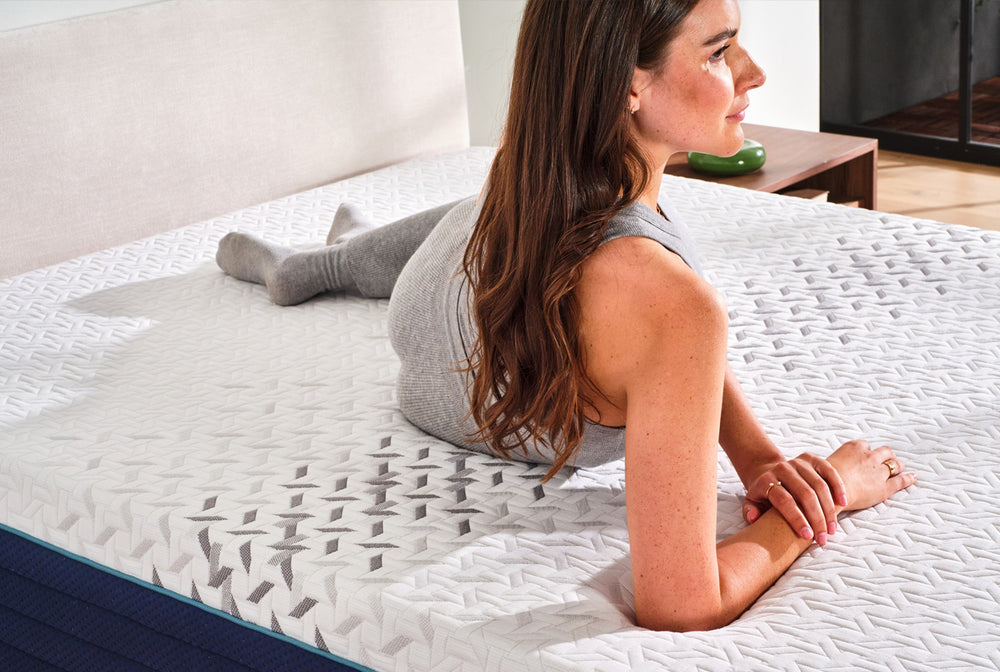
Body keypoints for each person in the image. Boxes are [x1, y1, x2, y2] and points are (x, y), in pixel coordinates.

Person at [216, 0, 916, 632]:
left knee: (491, 206)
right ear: (628, 84)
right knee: (479, 223)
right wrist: (828, 500)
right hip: (438, 371)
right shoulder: (670, 301)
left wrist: (759, 459)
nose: (752, 72)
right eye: (717, 51)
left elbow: (671, 347)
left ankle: (337, 254)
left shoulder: (562, 181)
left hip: (455, 286)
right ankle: (326, 264)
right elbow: (682, 603)